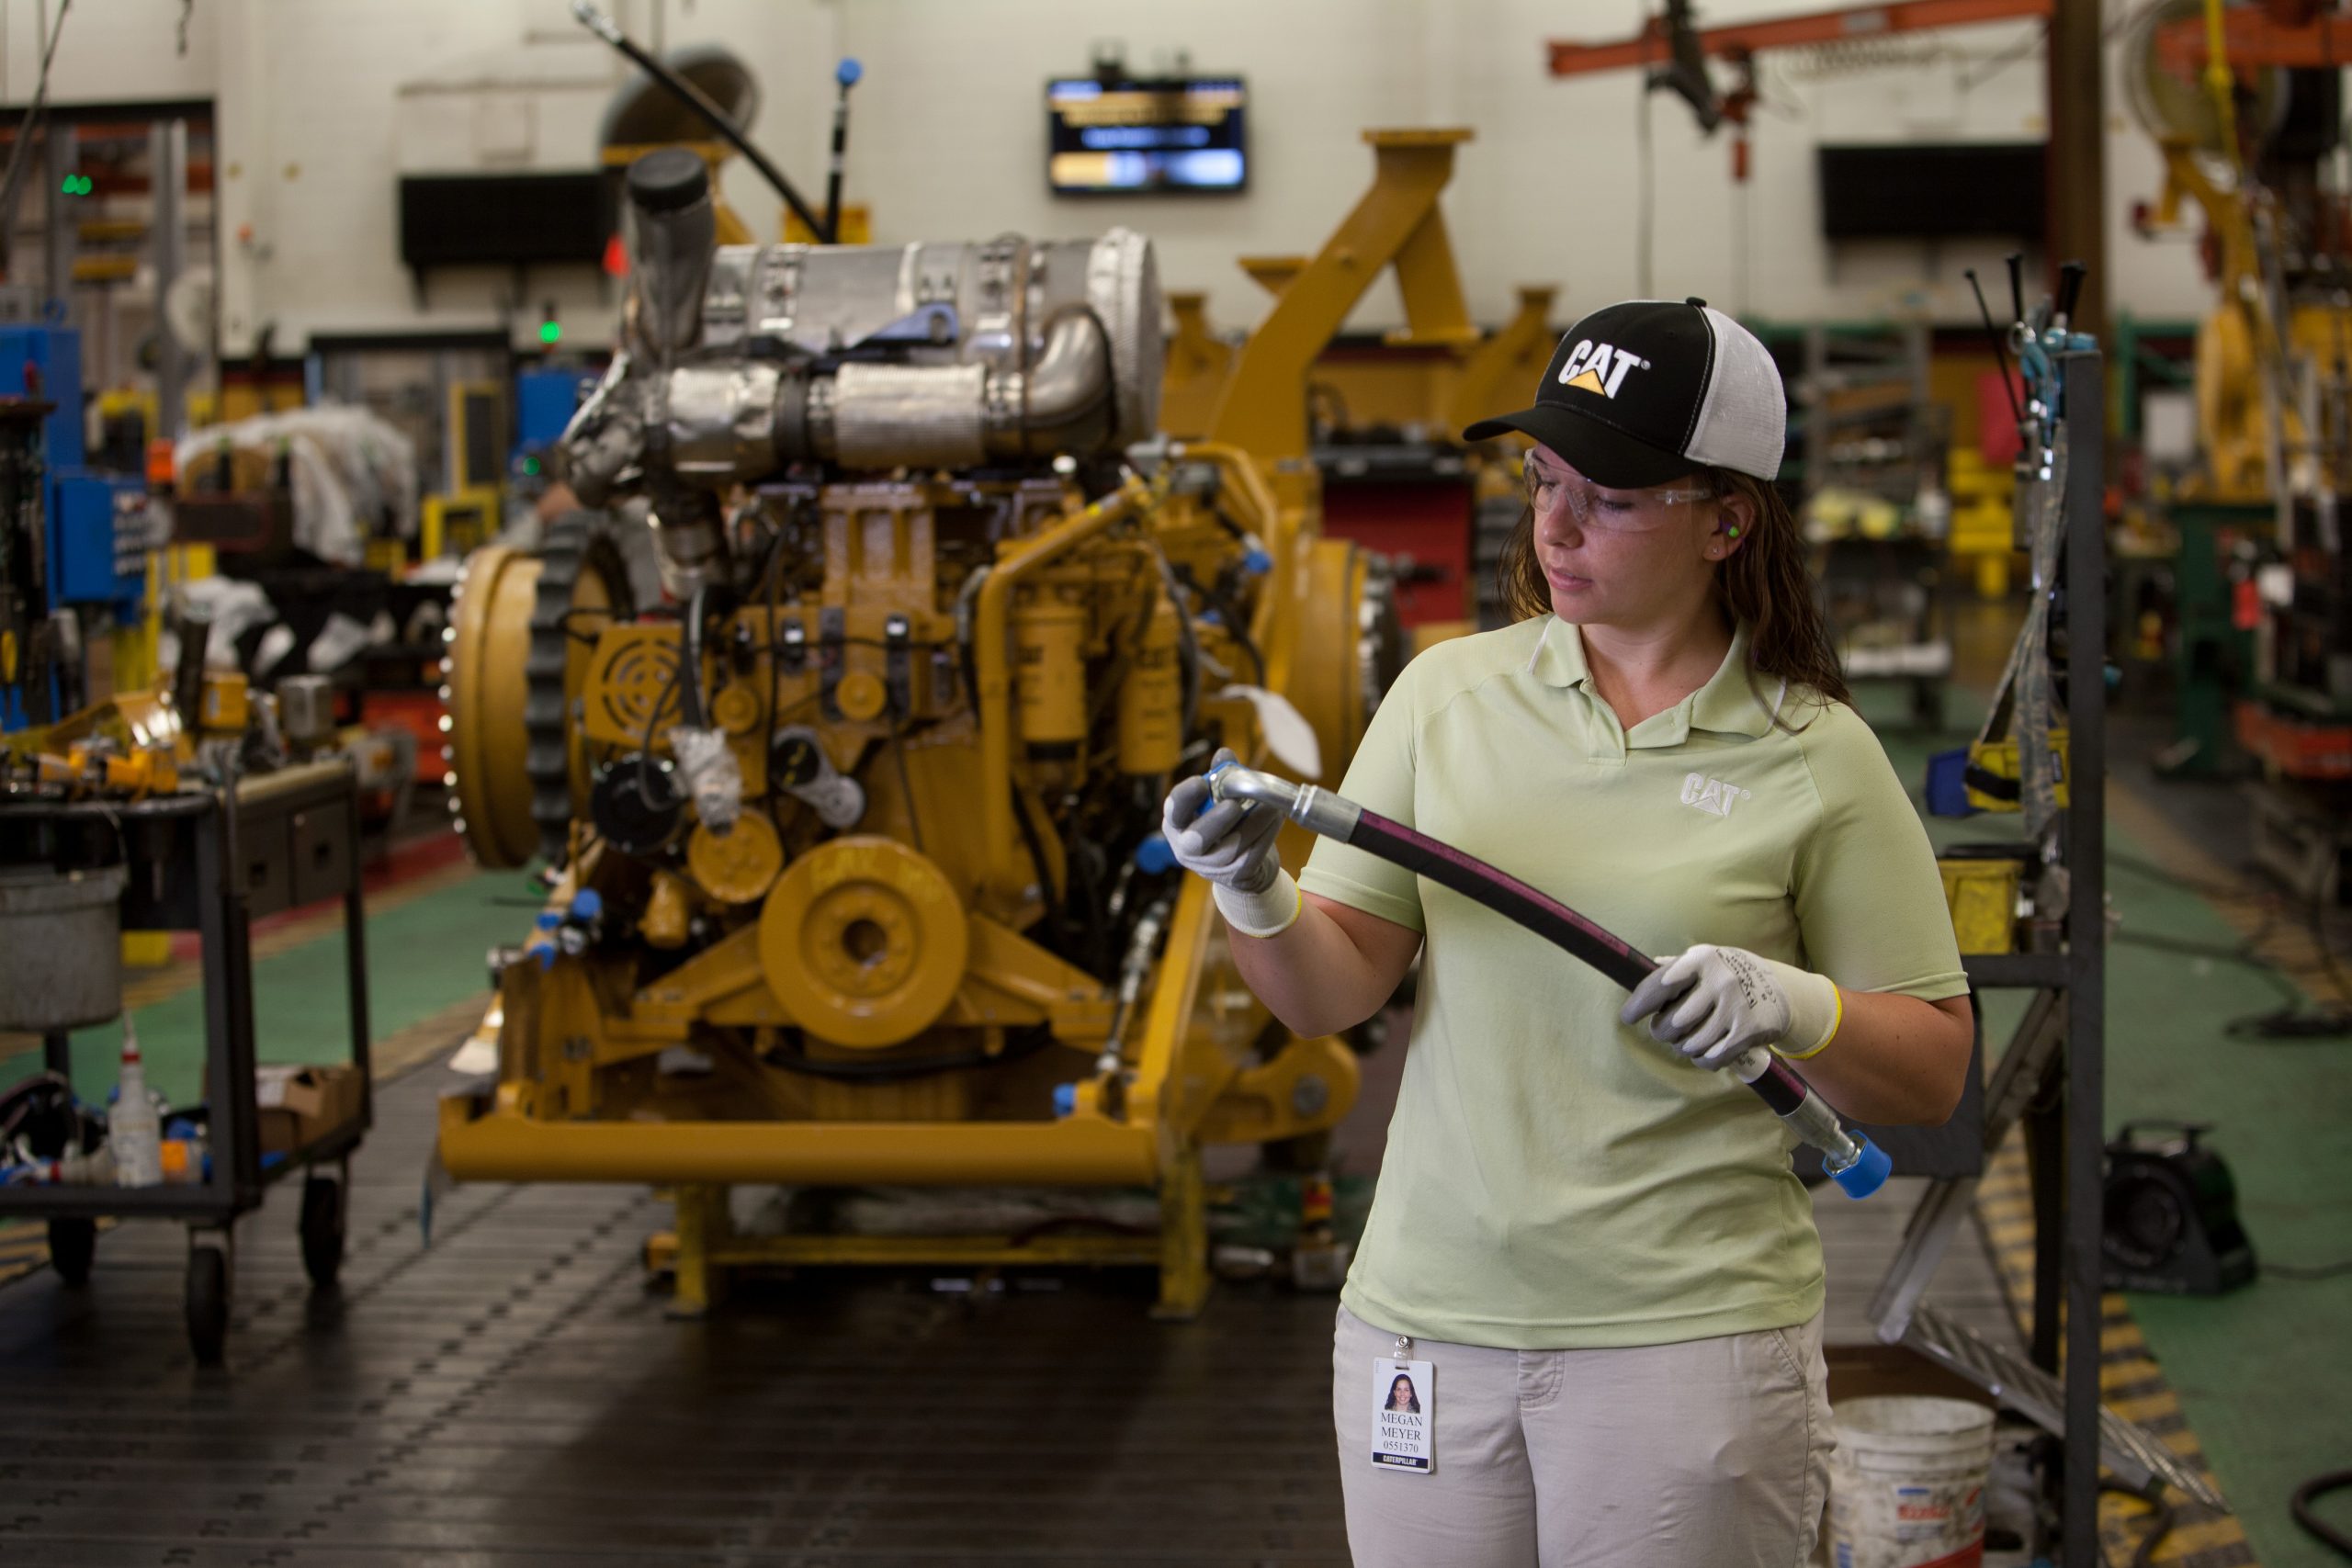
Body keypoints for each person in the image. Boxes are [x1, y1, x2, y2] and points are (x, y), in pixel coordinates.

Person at [1161, 299, 1973, 1568]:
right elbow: (1327, 994)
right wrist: (1250, 887)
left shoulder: (1816, 757)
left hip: (1685, 1341)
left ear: (1727, 519)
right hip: (1424, 1325)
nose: (1555, 522)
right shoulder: (1443, 697)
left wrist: (1787, 1003)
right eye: (1542, 478)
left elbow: (1931, 1065)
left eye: (1611, 493)